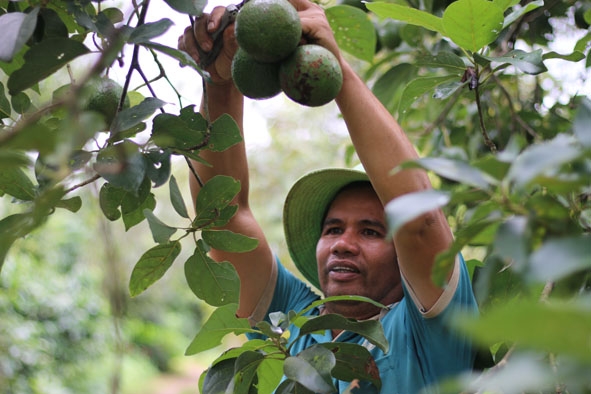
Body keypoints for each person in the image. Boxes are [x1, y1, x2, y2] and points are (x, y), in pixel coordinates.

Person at [178, 0, 478, 392]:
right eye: (333, 229)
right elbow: (223, 218)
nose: (343, 245)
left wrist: (333, 65)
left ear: (402, 256)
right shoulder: (296, 320)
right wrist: (219, 83)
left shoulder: (429, 329)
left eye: (371, 232)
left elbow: (419, 219)